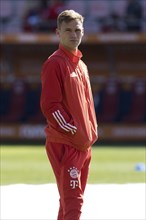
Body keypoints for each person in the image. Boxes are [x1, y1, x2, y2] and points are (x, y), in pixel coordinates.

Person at [40, 9, 98, 220]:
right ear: (58, 33)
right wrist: (73, 130)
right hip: (67, 143)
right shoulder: (55, 63)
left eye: (78, 30)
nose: (74, 35)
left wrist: (89, 133)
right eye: (68, 30)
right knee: (74, 200)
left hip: (83, 144)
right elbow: (50, 105)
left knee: (69, 201)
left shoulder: (81, 65)